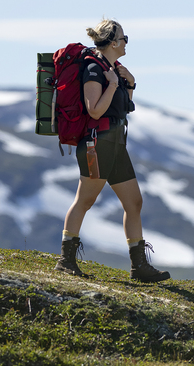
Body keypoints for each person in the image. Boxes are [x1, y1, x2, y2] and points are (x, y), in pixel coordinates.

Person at [54, 19, 170, 282]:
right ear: (114, 42)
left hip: (115, 143)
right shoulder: (94, 68)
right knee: (85, 200)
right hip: (98, 144)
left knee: (134, 202)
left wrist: (128, 85)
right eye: (124, 37)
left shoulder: (113, 69)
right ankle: (66, 260)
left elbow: (124, 108)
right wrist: (115, 85)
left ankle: (138, 267)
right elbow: (94, 109)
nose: (127, 41)